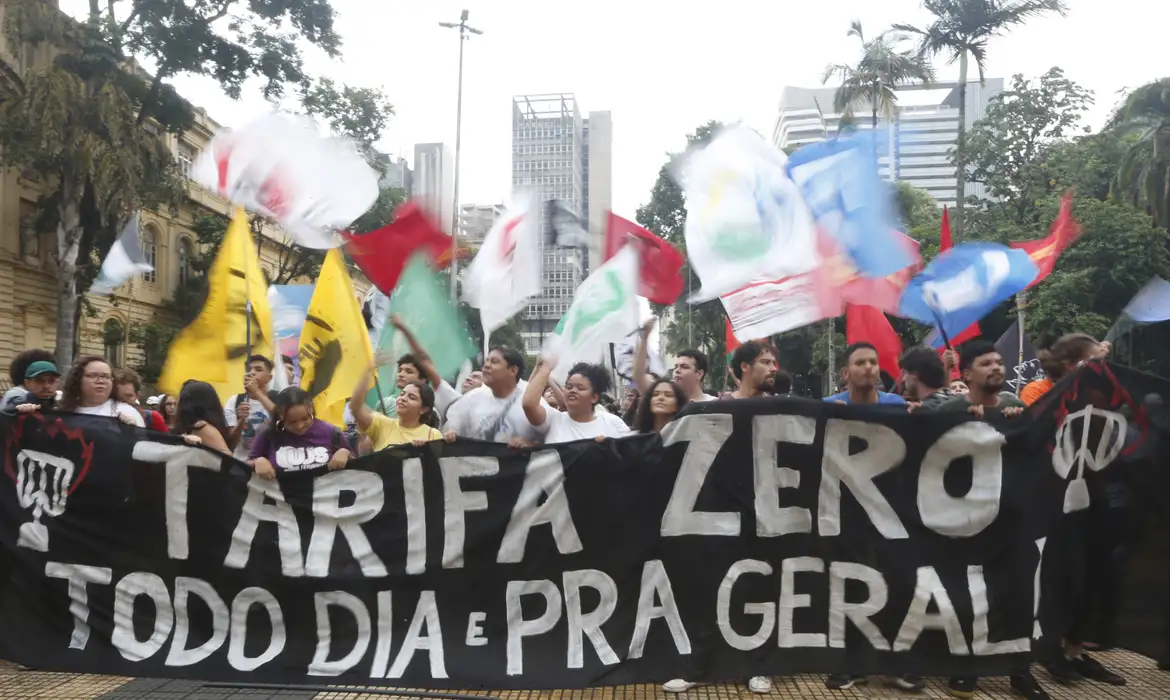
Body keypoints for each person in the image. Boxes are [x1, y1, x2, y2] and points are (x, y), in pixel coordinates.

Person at [921, 341, 1045, 699]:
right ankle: (965, 668)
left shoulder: (1015, 407)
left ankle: (1020, 671)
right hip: (966, 522)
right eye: (986, 363)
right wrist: (964, 425)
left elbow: (1033, 454)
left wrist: (1018, 426)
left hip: (1011, 522)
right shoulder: (949, 410)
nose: (996, 368)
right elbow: (927, 455)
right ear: (967, 373)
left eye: (999, 362)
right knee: (968, 597)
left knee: (1018, 596)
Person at [443, 345, 546, 444]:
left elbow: (550, 437)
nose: (486, 366)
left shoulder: (531, 399)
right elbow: (453, 427)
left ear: (513, 370)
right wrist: (451, 434)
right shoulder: (473, 398)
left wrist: (531, 445)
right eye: (486, 361)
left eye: (494, 362)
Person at [249, 388, 351, 479]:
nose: (299, 426)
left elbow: (355, 468)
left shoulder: (331, 432)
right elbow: (245, 467)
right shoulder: (267, 435)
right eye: (292, 422)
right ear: (280, 415)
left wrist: (345, 452)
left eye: (305, 419)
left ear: (311, 409)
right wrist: (257, 462)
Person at [522, 359, 630, 443]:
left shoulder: (613, 423)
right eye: (569, 387)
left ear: (594, 398)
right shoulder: (553, 420)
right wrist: (546, 368)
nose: (573, 391)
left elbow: (631, 452)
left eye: (580, 388)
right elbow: (529, 404)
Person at [351, 355, 442, 451]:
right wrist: (368, 371)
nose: (403, 399)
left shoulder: (433, 435)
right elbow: (356, 408)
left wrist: (425, 449)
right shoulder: (381, 423)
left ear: (424, 409)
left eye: (412, 397)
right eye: (402, 394)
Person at [633, 319, 717, 403]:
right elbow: (639, 378)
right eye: (676, 367)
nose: (677, 370)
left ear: (699, 374)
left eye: (684, 367)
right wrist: (645, 338)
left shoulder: (713, 403)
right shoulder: (666, 402)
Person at [56, 356, 143, 426]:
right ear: (78, 379)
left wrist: (131, 430)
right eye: (93, 376)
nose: (100, 381)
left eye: (106, 377)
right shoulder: (62, 411)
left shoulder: (127, 412)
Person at [223, 355, 277, 460]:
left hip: (269, 462)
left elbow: (281, 418)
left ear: (269, 378)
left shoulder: (277, 398)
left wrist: (256, 392)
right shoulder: (234, 401)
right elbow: (231, 442)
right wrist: (241, 421)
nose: (252, 372)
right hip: (241, 463)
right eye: (249, 369)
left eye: (258, 369)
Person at [824, 343, 906, 406]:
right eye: (860, 363)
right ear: (845, 373)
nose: (868, 367)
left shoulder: (896, 404)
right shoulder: (829, 406)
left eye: (873, 362)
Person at [173, 381, 232, 454]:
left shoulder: (202, 428)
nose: (176, 402)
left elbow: (226, 455)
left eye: (180, 398)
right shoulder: (191, 427)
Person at [900, 346, 953, 410]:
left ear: (914, 373)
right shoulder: (956, 403)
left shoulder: (920, 412)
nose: (903, 379)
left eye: (905, 372)